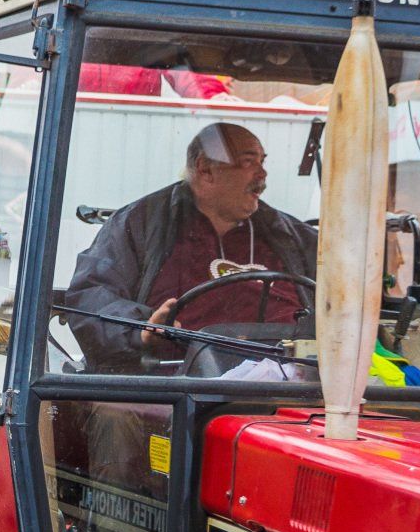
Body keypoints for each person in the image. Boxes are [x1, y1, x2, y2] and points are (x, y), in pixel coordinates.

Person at [62, 123, 317, 371]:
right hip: (175, 389)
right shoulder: (140, 223)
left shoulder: (295, 237)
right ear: (205, 169)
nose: (262, 174)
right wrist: (141, 329)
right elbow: (92, 296)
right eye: (249, 162)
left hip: (286, 383)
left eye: (262, 162)